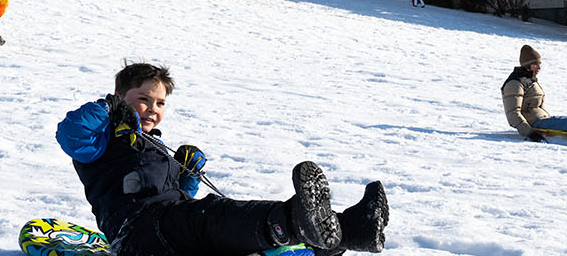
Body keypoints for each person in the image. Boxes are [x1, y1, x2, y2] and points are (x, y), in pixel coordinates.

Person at [56, 62, 389, 256]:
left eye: (160, 103)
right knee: (211, 215)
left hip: (170, 229)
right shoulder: (101, 142)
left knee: (223, 221)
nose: (153, 109)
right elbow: (70, 135)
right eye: (143, 99)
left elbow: (181, 197)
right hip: (136, 235)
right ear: (119, 96)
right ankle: (297, 222)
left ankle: (350, 230)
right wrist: (107, 108)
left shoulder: (156, 149)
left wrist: (188, 172)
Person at [501, 45, 567, 145]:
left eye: (539, 64)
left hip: (542, 120)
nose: (539, 68)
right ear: (528, 66)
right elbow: (513, 113)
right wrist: (530, 133)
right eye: (536, 64)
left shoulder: (529, 80)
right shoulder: (515, 83)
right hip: (534, 124)